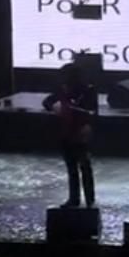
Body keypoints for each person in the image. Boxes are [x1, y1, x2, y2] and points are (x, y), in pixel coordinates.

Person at [43, 63, 97, 208]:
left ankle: (90, 199)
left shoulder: (88, 90)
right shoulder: (63, 89)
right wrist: (54, 106)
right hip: (66, 132)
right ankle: (74, 199)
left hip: (81, 133)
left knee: (85, 167)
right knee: (71, 168)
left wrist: (84, 121)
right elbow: (47, 102)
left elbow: (92, 111)